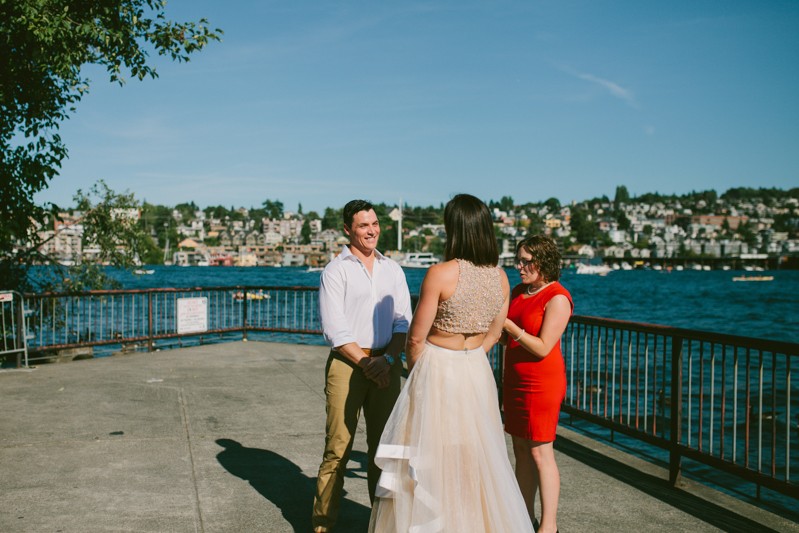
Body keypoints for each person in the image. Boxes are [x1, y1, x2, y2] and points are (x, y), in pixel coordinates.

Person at [369, 194, 534, 533]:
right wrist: (471, 358)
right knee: (473, 457)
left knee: (431, 457)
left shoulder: (440, 274)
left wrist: (419, 375)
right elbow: (493, 333)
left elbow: (416, 337)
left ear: (453, 229)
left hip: (438, 369)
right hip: (476, 369)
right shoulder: (500, 278)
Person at [312, 199, 412, 533]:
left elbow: (403, 322)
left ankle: (381, 525)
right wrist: (370, 364)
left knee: (385, 450)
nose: (371, 231)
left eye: (374, 224)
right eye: (363, 226)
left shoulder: (393, 270)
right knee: (338, 448)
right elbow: (335, 331)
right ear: (348, 230)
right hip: (348, 364)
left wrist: (387, 360)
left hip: (386, 361)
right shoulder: (335, 271)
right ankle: (323, 524)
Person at [502, 234, 573, 533]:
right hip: (515, 379)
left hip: (542, 382)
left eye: (526, 261)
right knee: (519, 448)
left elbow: (544, 346)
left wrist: (509, 327)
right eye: (518, 260)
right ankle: (524, 517)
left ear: (543, 262)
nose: (520, 266)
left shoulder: (558, 297)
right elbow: (504, 335)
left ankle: (548, 526)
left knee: (540, 452)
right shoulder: (519, 291)